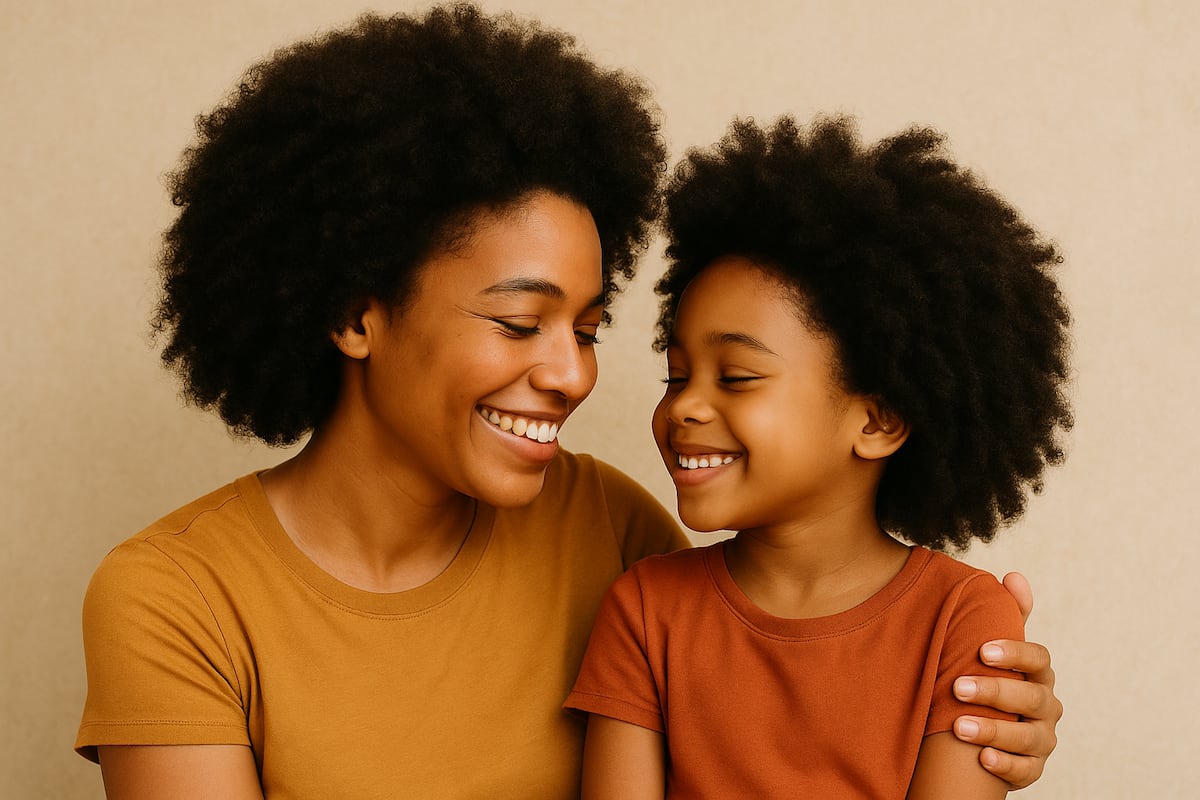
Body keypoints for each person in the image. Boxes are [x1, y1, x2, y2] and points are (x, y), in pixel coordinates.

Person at [74, 5, 1061, 798]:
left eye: (587, 330)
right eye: (519, 322)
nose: (574, 375)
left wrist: (990, 711)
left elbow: (774, 679)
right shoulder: (172, 597)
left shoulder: (614, 532)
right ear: (355, 312)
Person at [566, 115, 1072, 799]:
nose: (684, 407)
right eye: (677, 376)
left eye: (737, 377)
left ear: (879, 420)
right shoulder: (645, 609)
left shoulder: (966, 620)